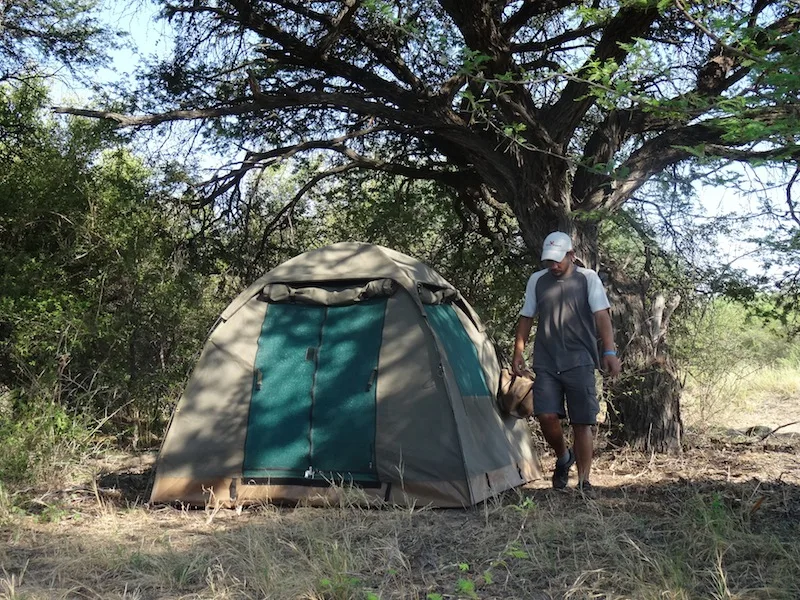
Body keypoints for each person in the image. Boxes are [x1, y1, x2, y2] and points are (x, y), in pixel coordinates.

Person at [512, 231, 621, 497]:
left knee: (582, 422)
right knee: (546, 415)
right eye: (549, 260)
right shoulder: (537, 281)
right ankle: (563, 458)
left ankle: (584, 482)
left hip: (580, 359)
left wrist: (608, 351)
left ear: (571, 255)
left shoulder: (588, 279)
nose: (553, 265)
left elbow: (602, 316)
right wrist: (518, 350)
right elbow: (527, 316)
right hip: (547, 360)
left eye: (558, 259)